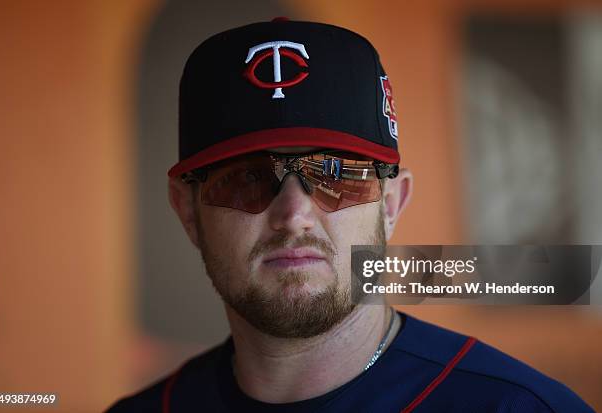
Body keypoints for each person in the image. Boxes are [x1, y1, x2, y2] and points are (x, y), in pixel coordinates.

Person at [107, 18, 594, 413]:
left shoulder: (518, 408)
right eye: (248, 178)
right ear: (187, 211)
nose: (294, 215)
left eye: (336, 176)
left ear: (391, 203)